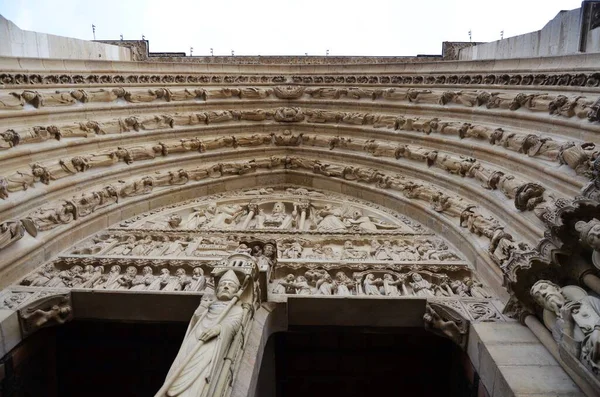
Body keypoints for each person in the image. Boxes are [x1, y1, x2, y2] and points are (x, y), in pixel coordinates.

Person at [163, 270, 244, 396]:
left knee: (200, 376)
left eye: (231, 285)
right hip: (195, 340)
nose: (226, 286)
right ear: (217, 290)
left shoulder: (237, 309)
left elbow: (233, 325)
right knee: (181, 366)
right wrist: (202, 307)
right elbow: (196, 320)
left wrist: (219, 328)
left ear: (236, 291)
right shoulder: (210, 304)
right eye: (223, 284)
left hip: (211, 344)